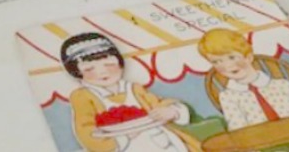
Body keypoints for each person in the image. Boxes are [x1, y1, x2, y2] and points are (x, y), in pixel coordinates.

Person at [60, 33, 199, 152]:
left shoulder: (134, 88)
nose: (102, 72)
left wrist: (173, 111)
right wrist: (121, 139)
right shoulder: (83, 96)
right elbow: (85, 130)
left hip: (158, 142)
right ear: (76, 72)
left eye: (109, 64)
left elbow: (157, 103)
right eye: (90, 69)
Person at [198, 27, 289, 149]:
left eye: (232, 57)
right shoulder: (228, 97)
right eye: (217, 61)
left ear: (249, 57)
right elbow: (238, 130)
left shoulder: (281, 85)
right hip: (263, 146)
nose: (227, 65)